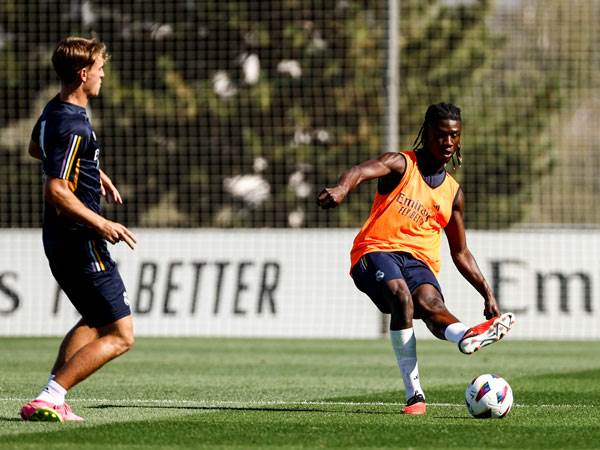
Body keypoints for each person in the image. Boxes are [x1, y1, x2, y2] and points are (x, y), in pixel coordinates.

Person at [317, 102, 514, 415]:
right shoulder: (401, 164)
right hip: (375, 251)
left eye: (454, 136)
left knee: (432, 306)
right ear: (427, 134)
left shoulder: (453, 193)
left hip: (419, 262)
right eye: (441, 135)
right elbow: (360, 171)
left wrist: (487, 293)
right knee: (401, 296)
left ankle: (466, 336)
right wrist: (342, 188)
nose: (448, 142)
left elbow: (460, 251)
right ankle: (414, 396)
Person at [20, 36, 137, 422]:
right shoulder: (73, 124)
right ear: (83, 74)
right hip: (81, 239)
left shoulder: (56, 110)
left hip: (60, 238)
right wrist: (102, 222)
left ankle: (51, 396)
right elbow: (56, 189)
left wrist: (89, 168)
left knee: (92, 316)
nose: (104, 75)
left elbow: (38, 149)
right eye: (100, 70)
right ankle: (52, 395)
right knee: (120, 335)